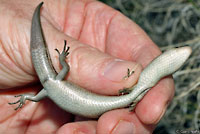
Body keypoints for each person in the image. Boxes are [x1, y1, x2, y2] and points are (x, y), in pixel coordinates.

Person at [0, 0, 174, 133]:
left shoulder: (46, 89)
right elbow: (57, 76)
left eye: (44, 57)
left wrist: (61, 60)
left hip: (53, 87)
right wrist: (61, 61)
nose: (42, 58)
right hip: (55, 87)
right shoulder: (49, 86)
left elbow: (52, 82)